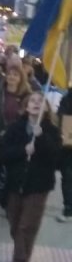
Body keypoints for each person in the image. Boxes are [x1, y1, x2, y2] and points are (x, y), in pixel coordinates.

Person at [0, 92, 62, 262]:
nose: (36, 104)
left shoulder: (50, 130)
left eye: (40, 101)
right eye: (32, 101)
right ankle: (23, 251)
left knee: (27, 225)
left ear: (46, 108)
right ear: (26, 106)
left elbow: (57, 159)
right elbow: (2, 153)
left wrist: (41, 138)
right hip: (15, 184)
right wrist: (22, 151)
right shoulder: (16, 128)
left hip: (38, 185)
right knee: (15, 224)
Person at [0, 65, 34, 210]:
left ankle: (6, 199)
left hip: (16, 142)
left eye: (16, 75)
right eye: (10, 74)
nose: (12, 77)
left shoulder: (27, 96)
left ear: (21, 78)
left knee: (13, 173)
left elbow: (29, 118)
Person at [58, 90, 72, 222]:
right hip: (68, 145)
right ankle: (68, 208)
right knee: (68, 176)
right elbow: (61, 116)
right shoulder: (68, 98)